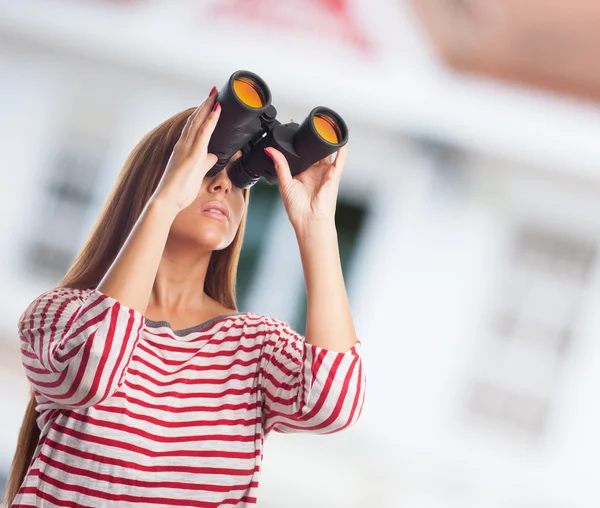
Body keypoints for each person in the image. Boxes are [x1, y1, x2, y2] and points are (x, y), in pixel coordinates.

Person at [2, 85, 365, 507]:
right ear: (159, 181)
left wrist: (316, 225)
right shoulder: (60, 315)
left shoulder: (255, 346)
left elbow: (334, 404)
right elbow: (93, 372)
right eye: (206, 171)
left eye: (238, 180)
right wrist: (165, 200)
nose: (222, 188)